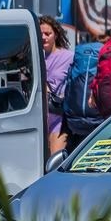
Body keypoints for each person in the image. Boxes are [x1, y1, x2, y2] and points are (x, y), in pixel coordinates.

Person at [39, 15, 72, 155]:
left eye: (48, 33)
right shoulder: (32, 57)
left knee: (54, 159)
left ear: (56, 35)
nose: (43, 37)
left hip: (58, 116)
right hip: (38, 115)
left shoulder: (68, 57)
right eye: (40, 34)